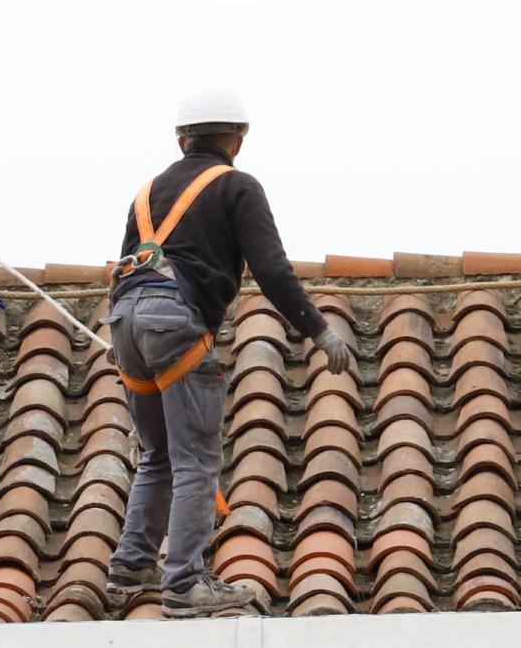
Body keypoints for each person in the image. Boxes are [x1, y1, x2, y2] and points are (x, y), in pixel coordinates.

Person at [103, 89, 352, 618]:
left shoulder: (146, 193)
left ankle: (132, 565)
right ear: (236, 141)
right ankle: (184, 583)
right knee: (196, 459)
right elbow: (271, 268)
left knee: (158, 453)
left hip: (125, 320)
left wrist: (131, 339)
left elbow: (125, 266)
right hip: (174, 324)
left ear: (181, 140)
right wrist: (319, 331)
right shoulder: (239, 186)